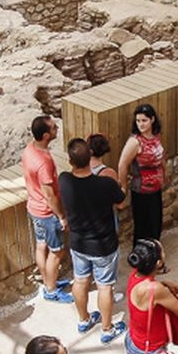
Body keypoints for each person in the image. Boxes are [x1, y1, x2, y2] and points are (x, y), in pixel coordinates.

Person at [59, 138, 129, 343]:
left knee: (80, 280)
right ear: (90, 156)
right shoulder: (105, 184)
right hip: (103, 245)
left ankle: (84, 319)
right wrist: (123, 185)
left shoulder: (64, 180)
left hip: (78, 242)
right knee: (105, 286)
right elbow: (121, 201)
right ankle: (107, 329)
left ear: (70, 161)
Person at [23, 115, 73, 304]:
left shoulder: (30, 148)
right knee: (57, 251)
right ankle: (51, 290)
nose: (56, 128)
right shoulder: (44, 162)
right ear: (45, 135)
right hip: (46, 212)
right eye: (53, 127)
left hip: (33, 207)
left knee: (41, 245)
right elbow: (50, 195)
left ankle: (47, 281)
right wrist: (61, 216)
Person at [116, 103, 166, 246]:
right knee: (143, 226)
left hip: (156, 188)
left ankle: (154, 255)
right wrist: (124, 187)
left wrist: (164, 173)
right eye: (138, 121)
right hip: (142, 190)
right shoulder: (135, 142)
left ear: (152, 120)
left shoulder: (155, 136)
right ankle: (142, 259)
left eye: (144, 120)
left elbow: (161, 155)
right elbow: (122, 164)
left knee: (155, 223)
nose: (141, 124)